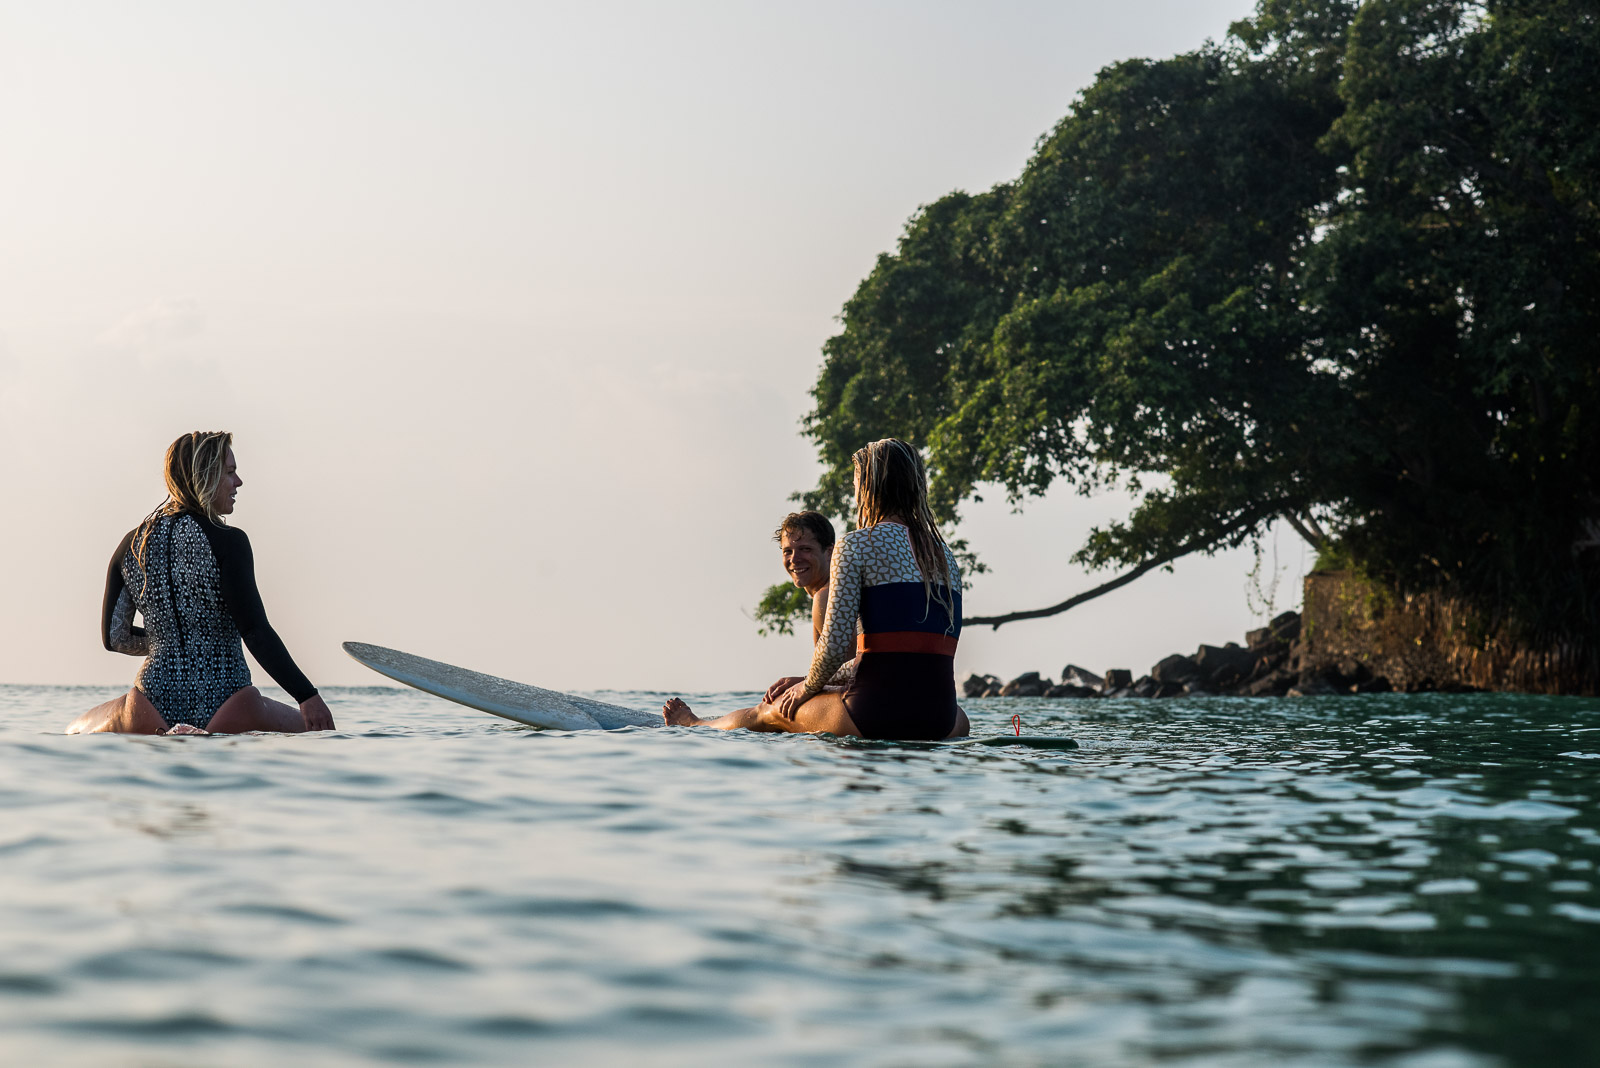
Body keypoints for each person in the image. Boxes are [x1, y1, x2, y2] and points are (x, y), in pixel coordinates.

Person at [663, 438, 967, 740]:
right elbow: (903, 655)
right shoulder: (944, 555)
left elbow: (835, 648)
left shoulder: (855, 545)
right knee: (953, 711)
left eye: (857, 483)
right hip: (942, 719)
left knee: (769, 712)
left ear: (871, 488)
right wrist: (812, 679)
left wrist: (807, 687)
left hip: (874, 715)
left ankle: (694, 724)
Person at [68, 431, 336, 735]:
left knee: (77, 728)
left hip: (149, 703)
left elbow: (115, 637)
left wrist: (166, 641)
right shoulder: (228, 541)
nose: (238, 482)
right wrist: (306, 695)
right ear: (206, 477)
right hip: (229, 701)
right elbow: (254, 631)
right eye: (231, 472)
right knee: (321, 732)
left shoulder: (132, 546)